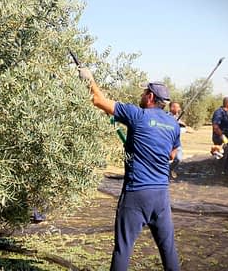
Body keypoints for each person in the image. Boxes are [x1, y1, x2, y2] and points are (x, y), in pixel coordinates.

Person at [79, 67, 181, 271]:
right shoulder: (173, 124)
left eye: (144, 93)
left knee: (123, 249)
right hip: (161, 195)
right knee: (168, 249)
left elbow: (99, 100)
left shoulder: (137, 115)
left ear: (150, 97)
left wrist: (88, 78)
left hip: (136, 194)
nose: (141, 95)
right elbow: (173, 155)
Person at [211, 96, 228, 176]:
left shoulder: (225, 113)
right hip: (220, 138)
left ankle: (226, 173)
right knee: (221, 157)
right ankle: (218, 175)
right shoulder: (219, 112)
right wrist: (222, 136)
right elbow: (215, 126)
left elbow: (225, 124)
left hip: (226, 138)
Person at [168, 102, 186, 179]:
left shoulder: (177, 117)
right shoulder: (167, 116)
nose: (178, 109)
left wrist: (180, 123)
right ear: (171, 108)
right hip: (168, 141)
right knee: (166, 157)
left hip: (176, 142)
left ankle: (170, 169)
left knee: (178, 158)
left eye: (179, 107)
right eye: (176, 107)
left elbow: (183, 125)